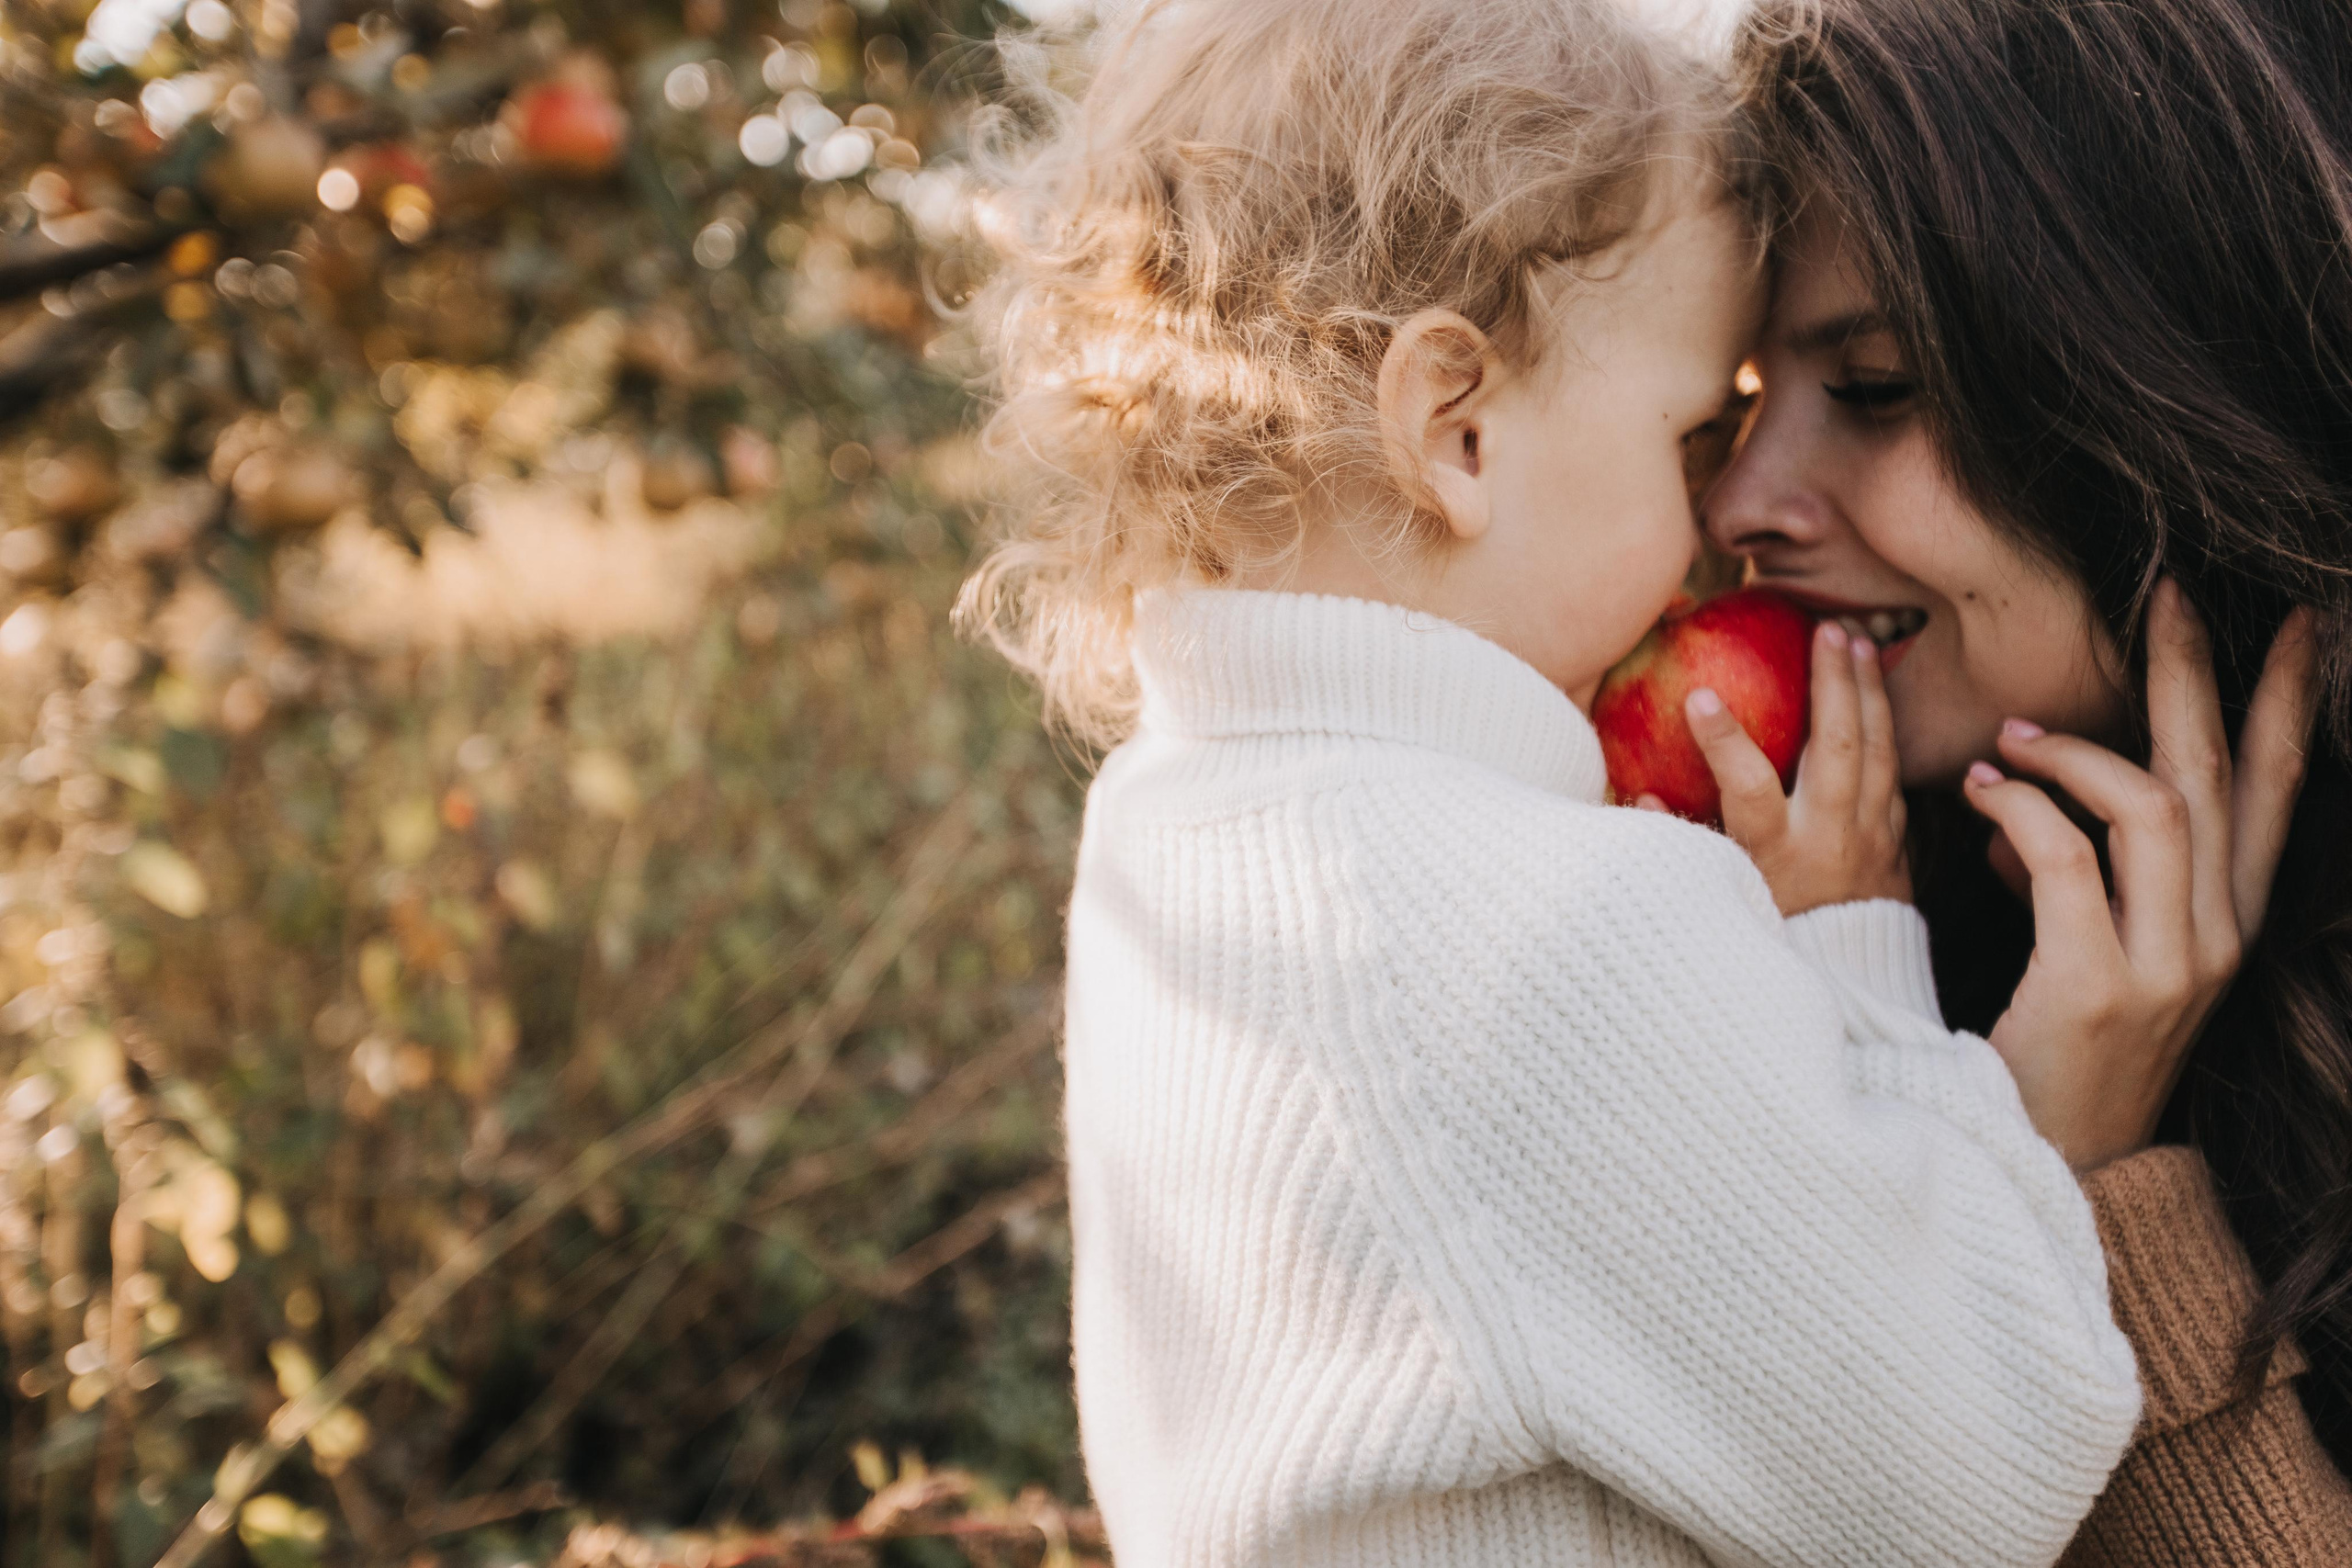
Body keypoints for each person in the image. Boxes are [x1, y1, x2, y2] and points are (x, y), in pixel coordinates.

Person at [959, 0, 2143, 1562]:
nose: (1726, 516)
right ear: (1454, 431)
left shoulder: (1178, 845)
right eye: (1690, 434)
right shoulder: (1545, 933)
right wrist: (1856, 952)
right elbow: (1984, 1480)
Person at [1707, 0, 2352, 1560]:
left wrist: (2104, 1209)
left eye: (1873, 388)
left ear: (2166, 382)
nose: (1741, 499)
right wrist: (2039, 1147)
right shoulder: (1792, 894)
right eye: (1732, 402)